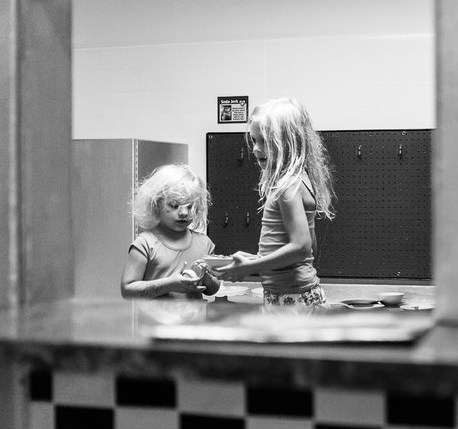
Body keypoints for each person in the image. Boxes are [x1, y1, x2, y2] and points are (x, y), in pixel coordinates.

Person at [212, 97, 335, 308]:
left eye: (265, 141)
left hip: (292, 297)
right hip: (294, 294)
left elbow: (301, 247)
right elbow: (308, 245)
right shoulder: (299, 180)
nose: (256, 149)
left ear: (288, 142)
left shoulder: (288, 186)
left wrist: (249, 268)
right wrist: (252, 260)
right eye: (254, 140)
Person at [120, 163, 216, 299]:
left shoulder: (204, 243)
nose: (183, 213)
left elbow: (212, 289)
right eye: (174, 205)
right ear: (156, 204)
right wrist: (170, 285)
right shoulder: (145, 243)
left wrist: (206, 279)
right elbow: (127, 290)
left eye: (190, 206)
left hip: (195, 320)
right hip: (153, 321)